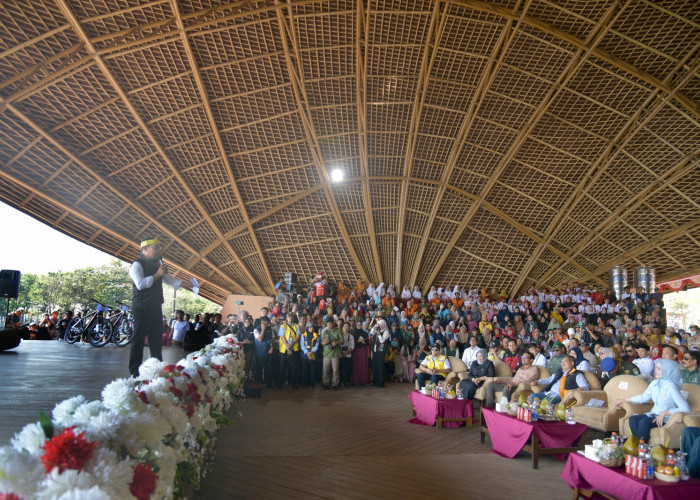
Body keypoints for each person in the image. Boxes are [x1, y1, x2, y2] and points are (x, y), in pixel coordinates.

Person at [128, 237, 182, 377]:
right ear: (145, 249)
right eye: (155, 247)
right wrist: (157, 274)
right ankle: (134, 372)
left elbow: (168, 279)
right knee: (138, 339)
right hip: (141, 307)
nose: (159, 250)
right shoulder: (137, 265)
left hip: (155, 306)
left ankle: (157, 370)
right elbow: (140, 284)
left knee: (156, 340)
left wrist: (185, 284)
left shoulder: (158, 263)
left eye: (159, 247)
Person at [613, 359, 689, 442]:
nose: (656, 371)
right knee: (633, 419)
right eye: (656, 368)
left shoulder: (671, 387)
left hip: (666, 418)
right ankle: (636, 444)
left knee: (643, 421)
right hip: (653, 414)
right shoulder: (655, 383)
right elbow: (643, 398)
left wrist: (665, 413)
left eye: (659, 369)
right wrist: (624, 400)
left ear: (668, 370)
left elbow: (685, 408)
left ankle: (640, 446)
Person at [279, 313, 301, 388]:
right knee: (282, 367)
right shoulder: (283, 326)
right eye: (289, 316)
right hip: (284, 350)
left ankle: (293, 384)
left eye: (292, 316)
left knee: (294, 367)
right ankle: (281, 383)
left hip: (294, 349)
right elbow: (282, 337)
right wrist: (288, 347)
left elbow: (298, 337)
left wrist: (291, 343)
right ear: (286, 318)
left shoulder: (296, 326)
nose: (290, 318)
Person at [320, 317, 343, 390]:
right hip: (326, 353)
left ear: (333, 322)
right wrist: (324, 343)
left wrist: (336, 342)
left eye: (330, 324)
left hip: (335, 353)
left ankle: (335, 384)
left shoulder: (338, 331)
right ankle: (325, 383)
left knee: (335, 370)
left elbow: (342, 341)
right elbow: (322, 342)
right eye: (327, 324)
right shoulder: (325, 332)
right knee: (326, 370)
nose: (329, 325)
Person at [370, 319, 390, 388]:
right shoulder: (377, 329)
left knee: (380, 367)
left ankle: (381, 383)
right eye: (380, 324)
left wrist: (378, 333)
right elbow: (371, 333)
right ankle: (375, 381)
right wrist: (375, 326)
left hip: (381, 352)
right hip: (375, 351)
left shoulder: (386, 332)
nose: (381, 326)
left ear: (384, 325)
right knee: (374, 367)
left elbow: (381, 341)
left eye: (382, 324)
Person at [300, 322, 319, 388]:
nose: (311, 328)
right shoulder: (303, 335)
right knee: (304, 369)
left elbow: (316, 346)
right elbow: (302, 345)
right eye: (310, 327)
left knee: (312, 370)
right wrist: (307, 353)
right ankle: (304, 384)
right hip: (304, 355)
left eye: (312, 327)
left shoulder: (316, 336)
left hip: (313, 354)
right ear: (307, 328)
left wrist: (311, 352)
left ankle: (312, 384)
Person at [351, 320, 370, 385]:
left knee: (363, 365)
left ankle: (363, 381)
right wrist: (358, 341)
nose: (359, 325)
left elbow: (368, 343)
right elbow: (352, 343)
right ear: (356, 325)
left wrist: (365, 342)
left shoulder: (365, 333)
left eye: (360, 324)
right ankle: (356, 381)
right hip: (356, 351)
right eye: (358, 324)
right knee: (356, 365)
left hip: (363, 350)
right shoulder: (353, 333)